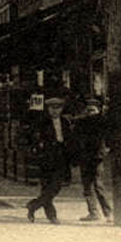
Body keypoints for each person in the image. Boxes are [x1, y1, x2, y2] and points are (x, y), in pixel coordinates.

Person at [26, 96, 72, 224]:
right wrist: (39, 147)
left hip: (61, 158)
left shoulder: (65, 122)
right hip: (46, 158)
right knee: (46, 187)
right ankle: (52, 216)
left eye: (58, 108)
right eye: (52, 108)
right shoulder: (42, 122)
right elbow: (33, 137)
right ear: (48, 109)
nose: (55, 111)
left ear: (62, 109)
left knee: (55, 187)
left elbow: (70, 138)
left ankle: (33, 205)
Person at [71, 96, 111, 222]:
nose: (90, 113)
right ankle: (93, 212)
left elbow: (107, 139)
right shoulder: (80, 123)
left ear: (98, 110)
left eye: (93, 110)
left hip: (96, 157)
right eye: (88, 110)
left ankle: (108, 213)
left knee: (98, 185)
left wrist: (105, 151)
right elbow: (76, 141)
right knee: (87, 186)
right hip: (85, 157)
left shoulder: (103, 122)